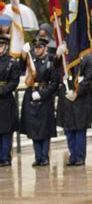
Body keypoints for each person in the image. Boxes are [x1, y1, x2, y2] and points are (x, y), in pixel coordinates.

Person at [19, 36, 60, 166]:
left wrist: (42, 94)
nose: (37, 50)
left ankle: (44, 156)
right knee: (33, 128)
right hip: (31, 95)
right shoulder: (31, 61)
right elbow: (20, 68)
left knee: (44, 128)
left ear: (45, 48)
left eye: (40, 47)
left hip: (44, 97)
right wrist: (23, 55)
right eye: (35, 47)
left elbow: (54, 83)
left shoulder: (50, 62)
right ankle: (38, 156)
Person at [56, 45, 92, 166]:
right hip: (66, 96)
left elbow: (88, 78)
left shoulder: (88, 58)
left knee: (79, 129)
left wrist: (77, 93)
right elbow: (55, 69)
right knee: (69, 129)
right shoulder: (65, 56)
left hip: (80, 98)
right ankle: (72, 155)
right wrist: (58, 56)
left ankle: (80, 156)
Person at [0, 34, 20, 167]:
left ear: (6, 47)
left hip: (5, 99)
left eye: (1, 46)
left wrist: (2, 90)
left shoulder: (12, 62)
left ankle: (5, 156)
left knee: (6, 131)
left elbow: (14, 81)